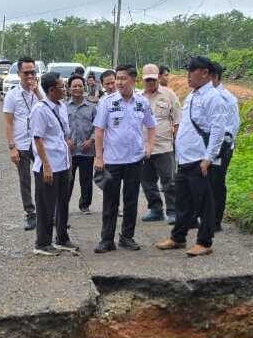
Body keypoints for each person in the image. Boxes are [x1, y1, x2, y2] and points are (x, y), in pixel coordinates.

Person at [155, 56, 225, 257]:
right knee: (183, 201)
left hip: (200, 159)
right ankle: (178, 237)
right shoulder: (193, 95)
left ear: (204, 72)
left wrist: (209, 158)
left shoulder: (213, 97)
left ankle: (204, 242)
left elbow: (218, 130)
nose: (188, 76)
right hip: (185, 158)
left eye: (192, 71)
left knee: (204, 202)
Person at [92, 64, 156, 254]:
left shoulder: (141, 102)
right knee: (110, 202)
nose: (119, 82)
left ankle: (127, 237)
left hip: (135, 160)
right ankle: (106, 240)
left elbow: (151, 126)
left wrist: (149, 146)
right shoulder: (107, 102)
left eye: (123, 78)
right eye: (117, 78)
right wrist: (99, 157)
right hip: (112, 160)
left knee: (131, 201)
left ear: (133, 80)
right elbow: (99, 130)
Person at [30, 72, 78, 256]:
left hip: (63, 163)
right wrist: (46, 167)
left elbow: (63, 134)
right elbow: (38, 139)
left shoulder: (62, 106)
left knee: (62, 203)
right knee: (45, 205)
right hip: (48, 166)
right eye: (62, 87)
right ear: (51, 90)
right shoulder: (40, 110)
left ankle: (62, 238)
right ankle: (42, 243)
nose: (65, 90)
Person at [3, 57, 42, 230]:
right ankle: (30, 213)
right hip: (22, 144)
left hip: (39, 143)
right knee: (25, 180)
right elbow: (8, 123)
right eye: (26, 72)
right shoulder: (12, 95)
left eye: (32, 72)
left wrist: (37, 92)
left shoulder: (39, 91)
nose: (30, 75)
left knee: (44, 178)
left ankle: (47, 212)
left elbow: (47, 109)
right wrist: (12, 147)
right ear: (19, 73)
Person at [139, 63, 181, 224]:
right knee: (147, 181)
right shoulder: (138, 97)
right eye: (147, 79)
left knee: (169, 181)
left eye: (153, 79)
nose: (150, 82)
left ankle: (173, 211)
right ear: (142, 79)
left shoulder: (169, 95)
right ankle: (155, 209)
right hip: (143, 147)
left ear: (158, 78)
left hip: (164, 146)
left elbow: (178, 120)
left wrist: (177, 142)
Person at [210, 62, 241, 233]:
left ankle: (215, 221)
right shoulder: (207, 96)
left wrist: (219, 147)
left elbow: (232, 127)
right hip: (207, 148)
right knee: (207, 182)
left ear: (213, 77)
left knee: (217, 183)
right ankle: (207, 217)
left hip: (222, 148)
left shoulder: (227, 98)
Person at [65, 75, 97, 215]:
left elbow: (98, 127)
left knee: (86, 179)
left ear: (84, 88)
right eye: (74, 86)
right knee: (67, 179)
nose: (77, 88)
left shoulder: (92, 108)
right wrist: (66, 140)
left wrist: (91, 140)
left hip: (86, 150)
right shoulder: (63, 107)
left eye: (80, 86)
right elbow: (59, 126)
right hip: (69, 152)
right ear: (69, 88)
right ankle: (63, 204)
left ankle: (84, 205)